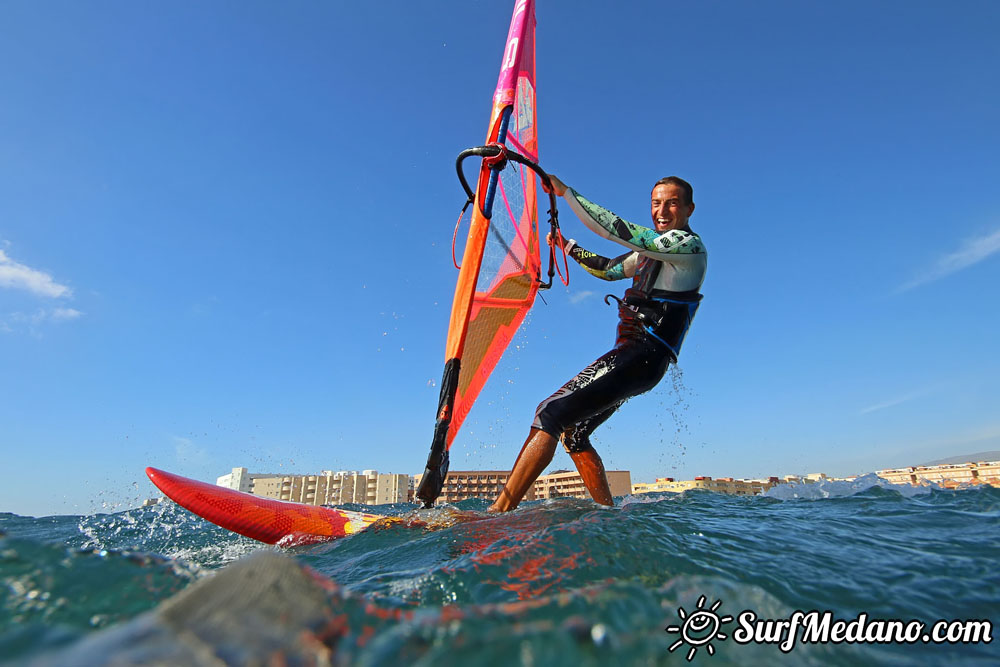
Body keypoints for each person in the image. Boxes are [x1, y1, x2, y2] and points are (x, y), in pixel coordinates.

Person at [488, 174, 707, 512]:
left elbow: (616, 229)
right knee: (573, 432)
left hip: (644, 354)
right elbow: (608, 269)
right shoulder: (650, 253)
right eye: (656, 203)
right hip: (637, 358)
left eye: (672, 203)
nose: (662, 211)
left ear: (689, 208)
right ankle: (608, 512)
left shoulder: (686, 246)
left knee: (549, 413)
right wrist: (568, 248)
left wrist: (565, 192)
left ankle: (496, 514)